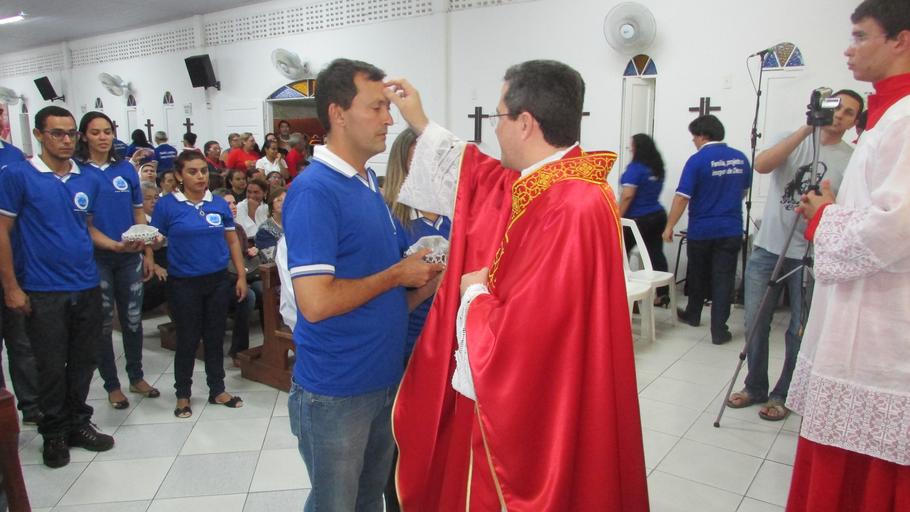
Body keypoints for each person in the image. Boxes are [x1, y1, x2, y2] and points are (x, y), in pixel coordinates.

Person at [386, 60, 649, 510]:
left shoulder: (570, 205)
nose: (494, 128)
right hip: (552, 391)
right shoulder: (555, 183)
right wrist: (421, 123)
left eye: (498, 116)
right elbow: (480, 178)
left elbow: (527, 336)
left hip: (540, 406)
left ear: (525, 123)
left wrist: (474, 294)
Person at [282, 58, 444, 512]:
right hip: (338, 389)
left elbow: (381, 300)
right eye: (376, 108)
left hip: (382, 379)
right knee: (336, 504)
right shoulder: (316, 190)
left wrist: (426, 285)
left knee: (369, 499)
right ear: (338, 113)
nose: (389, 119)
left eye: (388, 108)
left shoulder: (368, 184)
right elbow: (315, 303)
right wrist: (397, 274)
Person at [785, 1, 910, 510]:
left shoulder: (905, 118)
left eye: (860, 36)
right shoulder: (885, 118)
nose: (848, 49)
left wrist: (824, 216)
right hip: (860, 311)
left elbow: (895, 225)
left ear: (901, 40)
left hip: (882, 327)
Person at [725, 91, 862, 421]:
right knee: (755, 322)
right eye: (836, 107)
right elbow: (762, 165)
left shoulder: (852, 158)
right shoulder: (792, 139)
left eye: (849, 112)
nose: (839, 115)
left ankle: (784, 393)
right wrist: (806, 129)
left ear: (855, 121)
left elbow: (849, 208)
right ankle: (755, 386)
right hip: (768, 248)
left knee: (798, 329)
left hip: (809, 255)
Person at [0, 105, 114, 468]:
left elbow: (86, 228)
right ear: (38, 135)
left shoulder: (87, 178)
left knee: (84, 360)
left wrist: (118, 246)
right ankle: (54, 432)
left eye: (71, 133)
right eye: (57, 133)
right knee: (49, 364)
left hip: (85, 283)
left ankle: (78, 422)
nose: (66, 140)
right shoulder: (18, 175)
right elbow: (2, 232)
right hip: (42, 287)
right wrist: (11, 287)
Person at [150, 151, 247, 419]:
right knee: (188, 339)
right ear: (179, 175)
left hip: (217, 281)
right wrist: (150, 251)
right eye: (192, 172)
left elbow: (232, 241)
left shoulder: (217, 203)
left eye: (203, 170)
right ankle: (183, 394)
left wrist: (240, 275)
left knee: (215, 336)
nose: (200, 176)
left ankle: (218, 389)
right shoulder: (167, 205)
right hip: (184, 283)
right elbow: (155, 240)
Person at [75, 111, 160, 410]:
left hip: (129, 257)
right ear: (84, 136)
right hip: (97, 258)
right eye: (95, 132)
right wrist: (114, 245)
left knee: (133, 319)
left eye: (107, 131)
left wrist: (147, 250)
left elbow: (138, 213)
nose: (102, 137)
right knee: (102, 323)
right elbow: (83, 223)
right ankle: (112, 385)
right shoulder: (78, 171)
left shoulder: (125, 169)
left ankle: (136, 376)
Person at [662, 115, 751, 344]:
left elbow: (682, 197)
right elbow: (743, 192)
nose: (694, 141)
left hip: (701, 230)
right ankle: (719, 330)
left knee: (697, 274)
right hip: (730, 228)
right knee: (723, 279)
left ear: (702, 136)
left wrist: (670, 226)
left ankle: (693, 315)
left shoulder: (697, 161)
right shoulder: (740, 158)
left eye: (694, 137)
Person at [619, 133, 671, 306]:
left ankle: (627, 296)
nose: (630, 148)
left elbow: (627, 196)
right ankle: (662, 295)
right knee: (656, 254)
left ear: (637, 148)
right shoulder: (657, 168)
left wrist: (616, 216)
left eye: (631, 145)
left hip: (637, 220)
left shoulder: (636, 168)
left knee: (621, 256)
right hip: (657, 216)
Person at [255, 187, 285, 263]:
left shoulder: (296, 224)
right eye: (279, 200)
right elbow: (272, 258)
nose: (283, 203)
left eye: (287, 200)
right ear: (272, 205)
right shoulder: (264, 230)